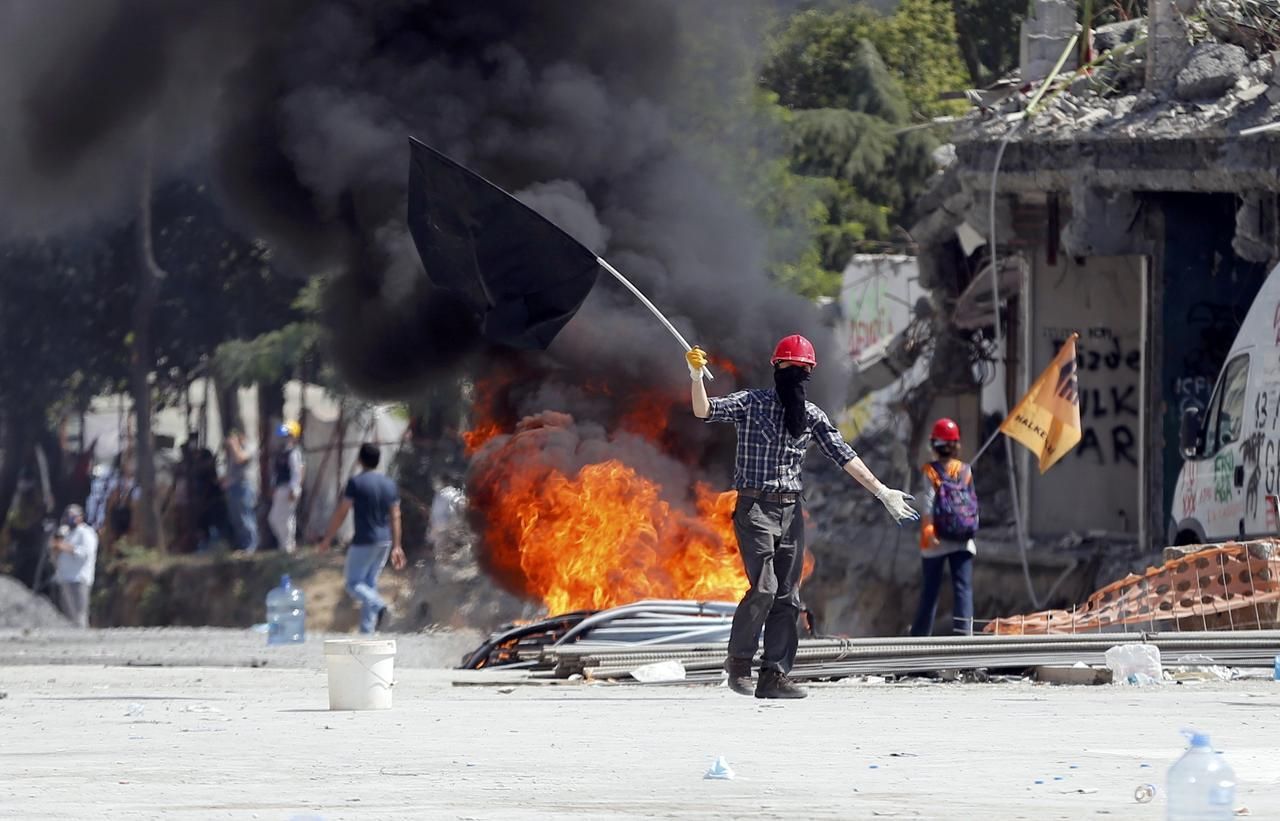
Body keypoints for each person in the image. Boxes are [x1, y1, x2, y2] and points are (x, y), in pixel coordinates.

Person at [688, 335, 918, 699]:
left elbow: (844, 455)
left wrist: (882, 491)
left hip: (791, 510)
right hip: (755, 508)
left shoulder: (811, 417)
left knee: (788, 597)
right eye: (790, 368)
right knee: (764, 587)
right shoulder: (751, 404)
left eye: (802, 371)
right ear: (776, 368)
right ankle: (739, 663)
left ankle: (774, 676)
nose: (796, 375)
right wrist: (697, 376)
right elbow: (705, 411)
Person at [317, 443, 407, 633]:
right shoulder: (389, 484)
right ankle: (367, 631)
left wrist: (327, 538)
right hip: (385, 541)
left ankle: (381, 606)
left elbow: (342, 512)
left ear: (359, 460)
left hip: (364, 540)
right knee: (369, 583)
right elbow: (396, 515)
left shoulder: (356, 483)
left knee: (353, 584)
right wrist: (397, 545)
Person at [912, 418, 978, 637]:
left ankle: (919, 642)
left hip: (936, 541)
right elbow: (972, 502)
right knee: (963, 591)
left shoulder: (930, 472)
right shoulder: (966, 470)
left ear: (934, 445)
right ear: (956, 444)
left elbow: (928, 502)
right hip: (963, 538)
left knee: (930, 592)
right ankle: (964, 640)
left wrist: (929, 531)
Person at [49, 504, 98, 628]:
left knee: (79, 612)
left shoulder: (86, 533)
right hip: (64, 577)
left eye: (72, 516)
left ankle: (83, 637)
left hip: (79, 578)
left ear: (80, 517)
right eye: (67, 515)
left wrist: (63, 546)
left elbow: (85, 553)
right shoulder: (66, 533)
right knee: (68, 613)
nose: (69, 518)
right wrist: (55, 546)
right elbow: (55, 556)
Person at [267, 421, 304, 553]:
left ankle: (288, 546)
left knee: (287, 517)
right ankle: (284, 545)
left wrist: (294, 489)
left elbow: (297, 472)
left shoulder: (294, 453)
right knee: (274, 518)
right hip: (280, 488)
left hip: (289, 488)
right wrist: (273, 486)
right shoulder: (281, 453)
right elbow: (276, 472)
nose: (284, 438)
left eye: (287, 435)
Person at [224, 430, 259, 553]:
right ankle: (242, 545)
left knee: (246, 516)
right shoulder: (232, 452)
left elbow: (240, 458)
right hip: (233, 487)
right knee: (236, 518)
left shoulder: (250, 446)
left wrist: (234, 445)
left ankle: (250, 547)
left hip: (244, 486)